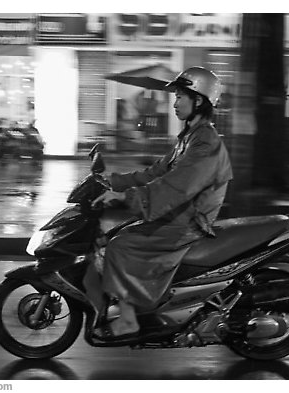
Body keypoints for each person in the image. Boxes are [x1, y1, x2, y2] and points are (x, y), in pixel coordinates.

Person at [87, 66, 233, 341]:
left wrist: (126, 197)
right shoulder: (189, 137)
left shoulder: (206, 143)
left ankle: (130, 320)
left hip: (188, 221)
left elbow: (175, 187)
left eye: (180, 97)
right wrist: (114, 182)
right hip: (179, 214)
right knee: (114, 235)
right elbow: (156, 173)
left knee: (120, 245)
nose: (175, 103)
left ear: (198, 100)